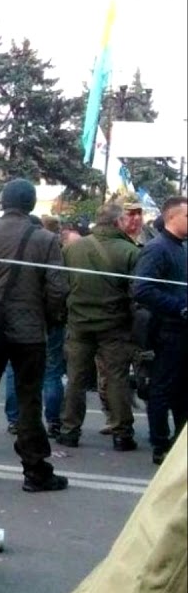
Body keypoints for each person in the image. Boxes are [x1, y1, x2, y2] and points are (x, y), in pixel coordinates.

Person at [0, 179, 69, 491]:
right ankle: (35, 470)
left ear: (2, 202)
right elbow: (57, 287)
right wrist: (48, 316)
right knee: (29, 400)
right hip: (29, 331)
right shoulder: (45, 239)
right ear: (31, 204)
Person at [56, 203, 140, 451]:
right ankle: (122, 433)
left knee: (75, 379)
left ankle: (69, 430)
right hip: (115, 325)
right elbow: (136, 293)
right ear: (118, 222)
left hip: (79, 323)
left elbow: (63, 285)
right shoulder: (130, 251)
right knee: (116, 379)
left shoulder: (72, 249)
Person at [132, 196, 187, 465]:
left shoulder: (180, 247)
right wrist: (179, 307)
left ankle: (179, 442)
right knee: (162, 389)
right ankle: (160, 443)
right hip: (168, 329)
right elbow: (142, 289)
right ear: (172, 218)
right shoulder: (157, 248)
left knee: (182, 390)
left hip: (181, 329)